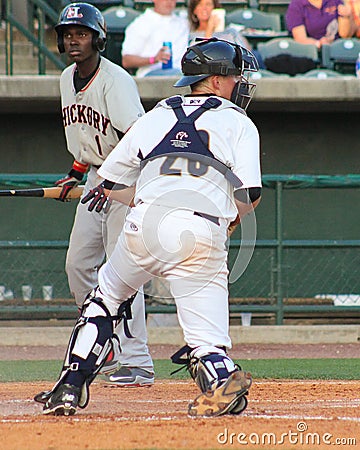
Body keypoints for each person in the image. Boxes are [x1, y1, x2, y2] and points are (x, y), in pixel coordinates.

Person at [34, 37, 262, 418]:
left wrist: (141, 197)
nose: (240, 82)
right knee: (206, 341)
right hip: (201, 232)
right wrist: (231, 224)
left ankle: (70, 385)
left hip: (144, 224)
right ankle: (220, 377)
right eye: (236, 75)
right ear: (218, 79)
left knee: (104, 299)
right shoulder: (239, 122)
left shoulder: (157, 114)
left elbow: (109, 181)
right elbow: (250, 192)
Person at [44, 2, 154, 388]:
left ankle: (137, 361)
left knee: (123, 269)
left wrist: (114, 181)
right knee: (78, 264)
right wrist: (74, 176)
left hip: (126, 178)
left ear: (98, 38)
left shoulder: (116, 81)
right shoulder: (64, 79)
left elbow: (138, 139)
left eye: (82, 33)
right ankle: (101, 337)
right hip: (95, 176)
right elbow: (83, 142)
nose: (74, 40)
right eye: (68, 34)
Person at [187, 0, 266, 68]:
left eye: (208, 4)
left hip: (241, 64)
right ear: (194, 10)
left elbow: (246, 54)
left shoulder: (230, 31)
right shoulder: (193, 36)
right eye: (200, 4)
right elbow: (203, 58)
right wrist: (209, 29)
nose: (204, 8)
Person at [120, 0, 189, 77]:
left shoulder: (183, 24)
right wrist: (154, 59)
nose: (169, 2)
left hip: (181, 74)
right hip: (151, 76)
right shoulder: (140, 24)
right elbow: (126, 61)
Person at [285, 0, 353, 49]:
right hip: (311, 49)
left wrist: (346, 17)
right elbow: (300, 38)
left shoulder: (335, 2)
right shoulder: (296, 5)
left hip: (336, 48)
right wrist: (319, 43)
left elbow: (345, 35)